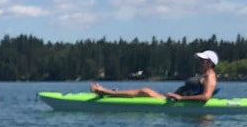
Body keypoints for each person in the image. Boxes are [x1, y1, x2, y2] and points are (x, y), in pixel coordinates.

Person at [89, 50, 218, 102]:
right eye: (199, 60)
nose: (199, 62)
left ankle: (106, 92)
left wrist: (180, 98)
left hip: (176, 100)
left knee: (144, 90)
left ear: (210, 63)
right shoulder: (204, 75)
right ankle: (112, 92)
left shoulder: (210, 76)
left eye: (202, 61)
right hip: (173, 97)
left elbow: (206, 96)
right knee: (146, 90)